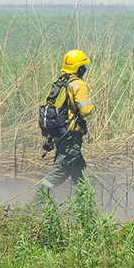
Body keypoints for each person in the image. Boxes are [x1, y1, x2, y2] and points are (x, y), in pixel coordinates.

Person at [40, 49, 95, 190]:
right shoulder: (77, 84)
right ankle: (37, 203)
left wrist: (49, 139)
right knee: (60, 171)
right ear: (79, 68)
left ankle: (86, 205)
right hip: (71, 135)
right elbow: (86, 110)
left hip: (60, 134)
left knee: (80, 173)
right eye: (84, 67)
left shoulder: (59, 84)